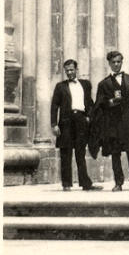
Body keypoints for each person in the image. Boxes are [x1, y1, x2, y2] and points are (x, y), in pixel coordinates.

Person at [92, 50, 129, 191]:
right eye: (113, 62)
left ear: (122, 62)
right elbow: (99, 104)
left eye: (118, 62)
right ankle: (118, 183)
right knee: (116, 154)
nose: (116, 64)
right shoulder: (104, 84)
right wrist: (110, 102)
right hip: (113, 124)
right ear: (109, 64)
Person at [50, 59, 100, 191]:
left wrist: (89, 117)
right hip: (66, 122)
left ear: (76, 70)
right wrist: (54, 124)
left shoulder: (86, 84)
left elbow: (89, 103)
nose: (69, 72)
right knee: (65, 153)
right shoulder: (60, 86)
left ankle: (86, 184)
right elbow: (54, 106)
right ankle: (66, 184)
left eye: (72, 70)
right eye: (67, 71)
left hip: (81, 120)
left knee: (80, 153)